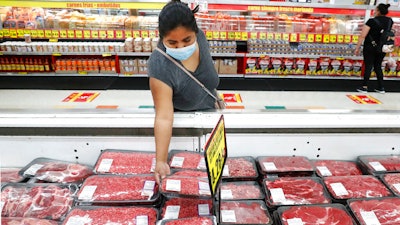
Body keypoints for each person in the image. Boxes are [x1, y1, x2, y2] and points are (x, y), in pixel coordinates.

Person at [147, 0, 220, 184]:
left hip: (211, 118)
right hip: (185, 130)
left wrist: (214, 94)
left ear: (195, 32)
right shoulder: (160, 63)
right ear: (162, 38)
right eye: (172, 42)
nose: (180, 47)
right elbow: (164, 117)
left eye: (187, 40)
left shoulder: (201, 38)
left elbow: (205, 77)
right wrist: (161, 160)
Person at [355, 3, 392, 94]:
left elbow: (362, 36)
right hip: (382, 47)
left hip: (370, 47)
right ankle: (381, 87)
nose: (374, 11)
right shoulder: (389, 21)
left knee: (368, 66)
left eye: (375, 10)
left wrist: (357, 47)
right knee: (378, 66)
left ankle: (364, 87)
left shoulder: (371, 21)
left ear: (378, 11)